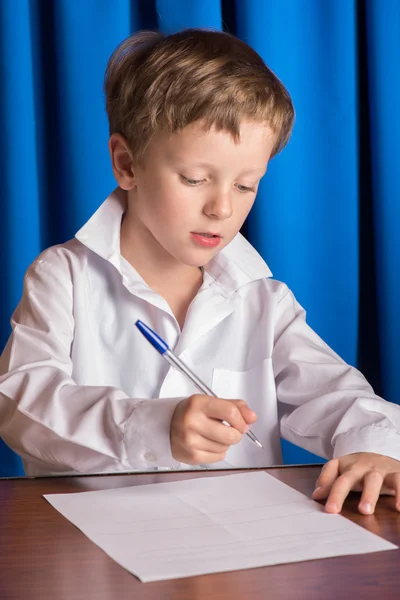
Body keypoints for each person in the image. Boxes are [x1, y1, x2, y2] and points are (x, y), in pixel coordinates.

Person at [1, 29, 400, 515]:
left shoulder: (262, 298)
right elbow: (21, 406)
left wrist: (375, 444)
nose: (222, 208)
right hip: (95, 548)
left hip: (235, 554)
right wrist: (152, 426)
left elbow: (335, 392)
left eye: (247, 185)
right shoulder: (62, 276)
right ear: (127, 164)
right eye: (195, 179)